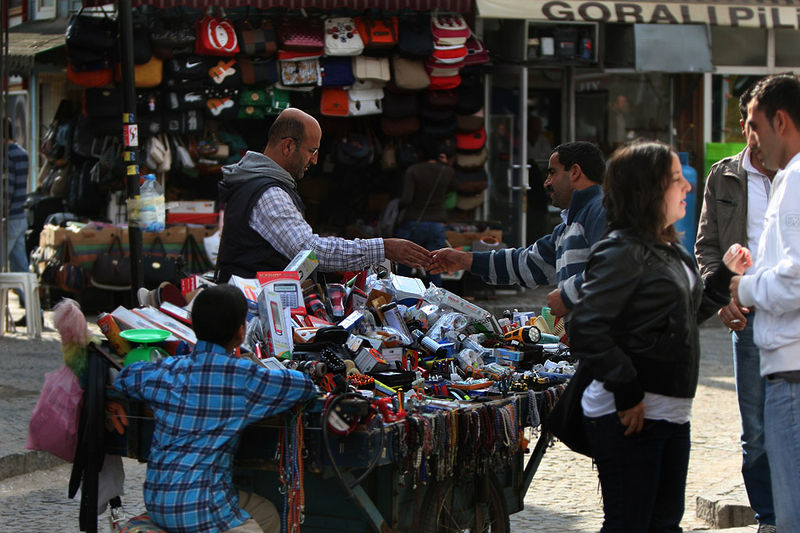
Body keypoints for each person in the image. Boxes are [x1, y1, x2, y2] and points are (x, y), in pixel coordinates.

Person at [570, 140, 751, 533]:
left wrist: (724, 275)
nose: (687, 186)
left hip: (671, 414)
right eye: (675, 179)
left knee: (664, 525)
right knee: (629, 525)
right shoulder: (621, 249)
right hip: (631, 417)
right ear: (648, 190)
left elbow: (684, 317)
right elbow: (586, 326)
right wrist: (627, 390)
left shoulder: (670, 249)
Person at [114, 285, 317, 532]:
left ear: (193, 326)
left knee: (266, 514)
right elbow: (304, 386)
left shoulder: (169, 369)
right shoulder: (244, 377)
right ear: (241, 332)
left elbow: (126, 377)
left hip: (159, 503)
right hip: (204, 511)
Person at [216, 107, 432, 282]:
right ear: (288, 146)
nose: (315, 160)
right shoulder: (269, 194)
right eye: (312, 151)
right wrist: (383, 248)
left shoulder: (255, 183)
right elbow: (309, 252)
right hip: (251, 307)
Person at [695, 84, 776, 532]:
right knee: (756, 429)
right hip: (747, 315)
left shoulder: (794, 173)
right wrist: (722, 294)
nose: (757, 134)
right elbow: (707, 247)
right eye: (750, 124)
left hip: (791, 311)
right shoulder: (724, 174)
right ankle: (770, 517)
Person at [730, 73, 800, 532]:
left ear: (781, 121)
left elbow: (795, 281)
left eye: (754, 125)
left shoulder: (794, 178)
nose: (750, 137)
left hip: (792, 375)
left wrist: (745, 288)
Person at [430, 141, 606, 320]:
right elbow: (528, 263)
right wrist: (465, 260)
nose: (546, 182)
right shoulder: (566, 229)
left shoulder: (599, 211)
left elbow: (611, 266)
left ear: (575, 172)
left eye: (552, 172)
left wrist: (567, 297)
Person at [394, 138, 458, 287]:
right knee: (434, 266)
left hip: (414, 222)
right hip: (437, 224)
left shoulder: (413, 170)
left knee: (405, 265)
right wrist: (446, 165)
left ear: (418, 154)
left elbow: (406, 199)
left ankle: (403, 296)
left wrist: (396, 206)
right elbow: (455, 187)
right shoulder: (446, 171)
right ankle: (435, 297)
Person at [3, 117, 30, 325]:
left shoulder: (7, 156)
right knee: (22, 268)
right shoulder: (22, 153)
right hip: (21, 215)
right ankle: (34, 313)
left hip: (9, 217)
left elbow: (7, 190)